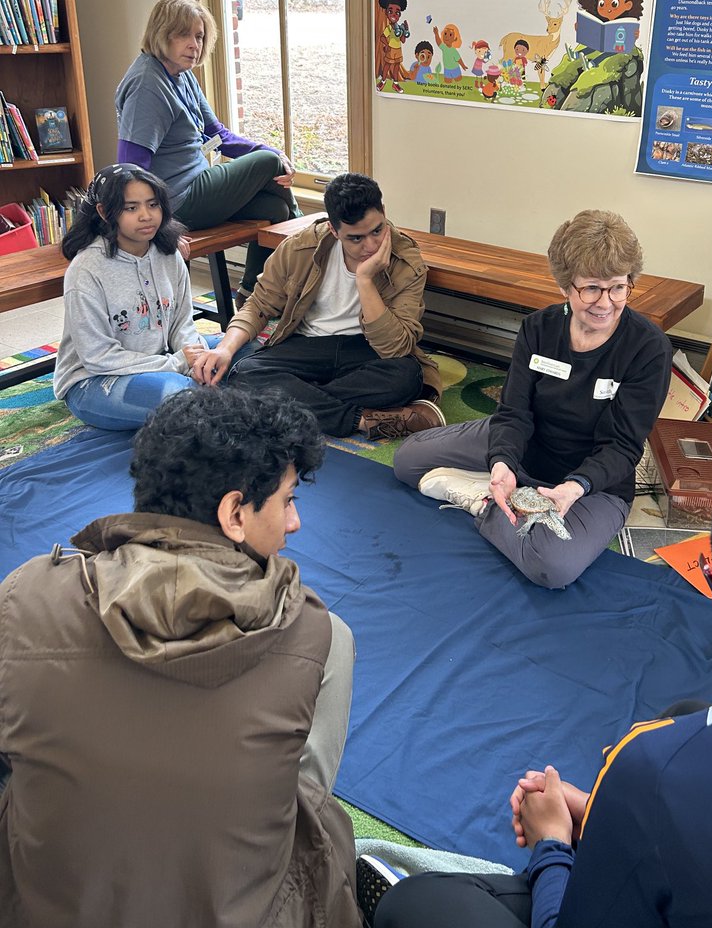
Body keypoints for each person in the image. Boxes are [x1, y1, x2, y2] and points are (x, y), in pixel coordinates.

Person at [368, 450, 712, 928]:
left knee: (417, 904)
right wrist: (614, 813)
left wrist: (553, 844)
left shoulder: (653, 770)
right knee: (687, 714)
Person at [0, 385, 359, 928]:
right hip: (244, 910)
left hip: (41, 906)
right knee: (316, 818)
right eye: (288, 501)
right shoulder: (316, 633)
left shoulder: (26, 594)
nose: (294, 523)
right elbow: (301, 792)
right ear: (234, 512)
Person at [394, 210, 671, 588]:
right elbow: (513, 412)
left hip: (594, 480)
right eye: (591, 288)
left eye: (618, 287)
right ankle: (498, 486)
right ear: (565, 286)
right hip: (528, 442)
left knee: (552, 567)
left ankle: (482, 503)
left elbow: (622, 446)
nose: (605, 303)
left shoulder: (648, 348)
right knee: (408, 461)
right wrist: (502, 462)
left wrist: (576, 486)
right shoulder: (539, 328)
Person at [193, 172, 446, 440]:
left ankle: (289, 400)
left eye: (377, 230)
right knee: (243, 373)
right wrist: (225, 348)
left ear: (383, 212)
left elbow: (395, 347)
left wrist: (365, 281)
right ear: (334, 230)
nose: (371, 246)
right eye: (356, 238)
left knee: (407, 377)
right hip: (307, 345)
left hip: (366, 350)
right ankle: (362, 420)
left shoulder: (405, 260)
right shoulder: (300, 247)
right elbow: (259, 304)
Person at [116, 0, 299, 304]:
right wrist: (161, 226)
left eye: (199, 36)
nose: (194, 45)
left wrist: (276, 153)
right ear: (162, 34)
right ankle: (306, 255)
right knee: (269, 163)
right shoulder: (148, 84)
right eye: (184, 35)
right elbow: (130, 168)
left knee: (274, 210)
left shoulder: (182, 74)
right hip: (177, 202)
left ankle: (250, 296)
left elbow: (218, 135)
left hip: (199, 190)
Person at [53, 162, 209, 431]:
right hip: (95, 380)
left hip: (160, 361)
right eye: (131, 208)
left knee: (235, 352)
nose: (146, 216)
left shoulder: (169, 254)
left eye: (153, 204)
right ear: (104, 212)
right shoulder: (85, 270)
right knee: (180, 396)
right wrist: (177, 363)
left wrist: (196, 360)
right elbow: (98, 356)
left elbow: (182, 322)